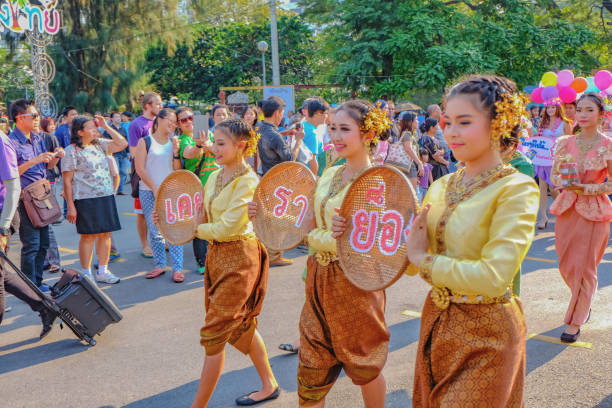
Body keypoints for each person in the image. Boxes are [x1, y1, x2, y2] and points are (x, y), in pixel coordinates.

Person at [405, 75, 539, 407]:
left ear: (500, 122)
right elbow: (410, 260)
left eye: (464, 122)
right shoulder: (442, 185)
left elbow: (493, 278)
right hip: (436, 321)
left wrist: (423, 260)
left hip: (489, 332)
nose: (450, 132)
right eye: (447, 122)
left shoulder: (517, 188)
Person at [284, 100, 392, 407]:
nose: (336, 136)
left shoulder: (376, 182)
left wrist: (322, 236)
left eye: (345, 129)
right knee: (311, 363)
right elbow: (310, 223)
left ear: (368, 133)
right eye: (333, 128)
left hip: (356, 282)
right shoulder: (331, 172)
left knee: (363, 363)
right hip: (319, 277)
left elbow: (363, 242)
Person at [190, 118, 279, 407]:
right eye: (214, 142)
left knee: (215, 332)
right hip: (216, 256)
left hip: (240, 257)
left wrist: (194, 230)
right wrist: (174, 224)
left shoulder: (249, 181)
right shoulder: (215, 176)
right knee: (240, 325)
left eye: (220, 143)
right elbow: (204, 217)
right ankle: (269, 383)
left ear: (241, 146)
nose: (213, 148)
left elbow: (228, 227)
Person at [550, 93, 612, 343]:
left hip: (594, 210)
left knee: (584, 268)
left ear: (601, 114)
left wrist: (586, 189)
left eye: (589, 111)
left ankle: (575, 321)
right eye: (579, 110)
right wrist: (564, 183)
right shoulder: (565, 142)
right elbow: (555, 177)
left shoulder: (607, 144)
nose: (582, 115)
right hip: (567, 209)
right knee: (566, 265)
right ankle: (584, 302)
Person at [0, 128, 57, 338]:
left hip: (3, 214)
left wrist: (4, 226)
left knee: (1, 275)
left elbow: (14, 185)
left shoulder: (2, 142)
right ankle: (45, 306)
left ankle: (44, 305)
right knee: (3, 275)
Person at [62, 115, 127, 284]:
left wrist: (106, 126)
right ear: (80, 132)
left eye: (95, 126)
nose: (95, 130)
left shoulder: (100, 145)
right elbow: (67, 181)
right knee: (88, 236)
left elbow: (122, 143)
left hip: (105, 196)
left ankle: (103, 271)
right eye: (91, 127)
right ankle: (86, 272)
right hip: (85, 199)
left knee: (105, 234)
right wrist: (70, 206)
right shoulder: (72, 150)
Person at [8, 99, 64, 291]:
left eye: (37, 116)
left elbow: (47, 167)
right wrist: (35, 160)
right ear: (19, 117)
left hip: (42, 194)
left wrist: (54, 157)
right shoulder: (10, 142)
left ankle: (38, 283)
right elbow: (11, 171)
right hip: (25, 198)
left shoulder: (38, 138)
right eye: (33, 116)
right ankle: (29, 286)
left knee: (43, 243)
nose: (36, 119)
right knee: (31, 244)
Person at [134, 109, 185, 282]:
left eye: (175, 122)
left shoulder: (174, 142)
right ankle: (160, 265)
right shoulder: (145, 141)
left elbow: (178, 169)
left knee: (173, 229)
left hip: (170, 191)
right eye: (170, 120)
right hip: (148, 190)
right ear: (159, 120)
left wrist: (176, 151)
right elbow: (139, 168)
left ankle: (178, 268)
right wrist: (154, 186)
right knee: (155, 229)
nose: (173, 124)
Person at [257, 97, 305, 266]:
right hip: (279, 182)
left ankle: (268, 252)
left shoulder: (260, 129)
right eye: (282, 113)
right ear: (277, 113)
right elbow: (290, 159)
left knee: (269, 218)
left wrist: (284, 133)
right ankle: (274, 254)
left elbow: (270, 139)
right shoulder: (274, 136)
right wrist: (298, 140)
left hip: (264, 177)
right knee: (280, 218)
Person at [177, 106, 218, 275]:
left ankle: (216, 258)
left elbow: (219, 151)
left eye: (190, 118)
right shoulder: (184, 140)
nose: (188, 122)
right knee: (201, 224)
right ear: (179, 124)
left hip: (216, 184)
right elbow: (188, 154)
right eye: (183, 120)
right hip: (198, 188)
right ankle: (202, 262)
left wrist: (207, 143)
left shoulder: (211, 134)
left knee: (216, 223)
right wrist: (200, 145)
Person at [129, 92, 162, 258]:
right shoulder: (137, 125)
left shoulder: (162, 122)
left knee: (162, 209)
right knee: (142, 212)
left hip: (161, 173)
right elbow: (134, 151)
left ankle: (163, 239)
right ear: (148, 105)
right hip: (143, 175)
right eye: (157, 103)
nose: (160, 106)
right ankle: (145, 244)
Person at [534, 100, 572, 229]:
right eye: (548, 108)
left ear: (557, 108)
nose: (550, 110)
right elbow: (538, 139)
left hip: (557, 159)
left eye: (553, 107)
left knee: (553, 188)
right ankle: (543, 217)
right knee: (542, 187)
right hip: (543, 159)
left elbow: (569, 142)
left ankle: (562, 208)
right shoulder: (543, 123)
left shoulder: (565, 123)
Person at [36, 115, 62, 273]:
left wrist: (56, 156)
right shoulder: (17, 140)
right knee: (36, 227)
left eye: (36, 116)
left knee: (47, 224)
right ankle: (44, 260)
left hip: (46, 184)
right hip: (27, 190)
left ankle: (54, 260)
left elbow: (51, 165)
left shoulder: (47, 138)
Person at [387, 112, 423, 189]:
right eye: (416, 119)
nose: (418, 121)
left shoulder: (405, 133)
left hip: (404, 166)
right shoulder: (407, 134)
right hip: (408, 167)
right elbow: (408, 149)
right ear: (410, 122)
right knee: (411, 194)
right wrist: (419, 163)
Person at [104, 112, 130, 195]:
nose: (118, 118)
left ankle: (120, 189)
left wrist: (128, 152)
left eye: (119, 117)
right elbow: (106, 142)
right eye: (116, 117)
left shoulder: (123, 129)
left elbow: (126, 141)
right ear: (111, 118)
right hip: (114, 154)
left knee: (123, 172)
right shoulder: (109, 129)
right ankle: (113, 189)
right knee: (115, 172)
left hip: (123, 154)